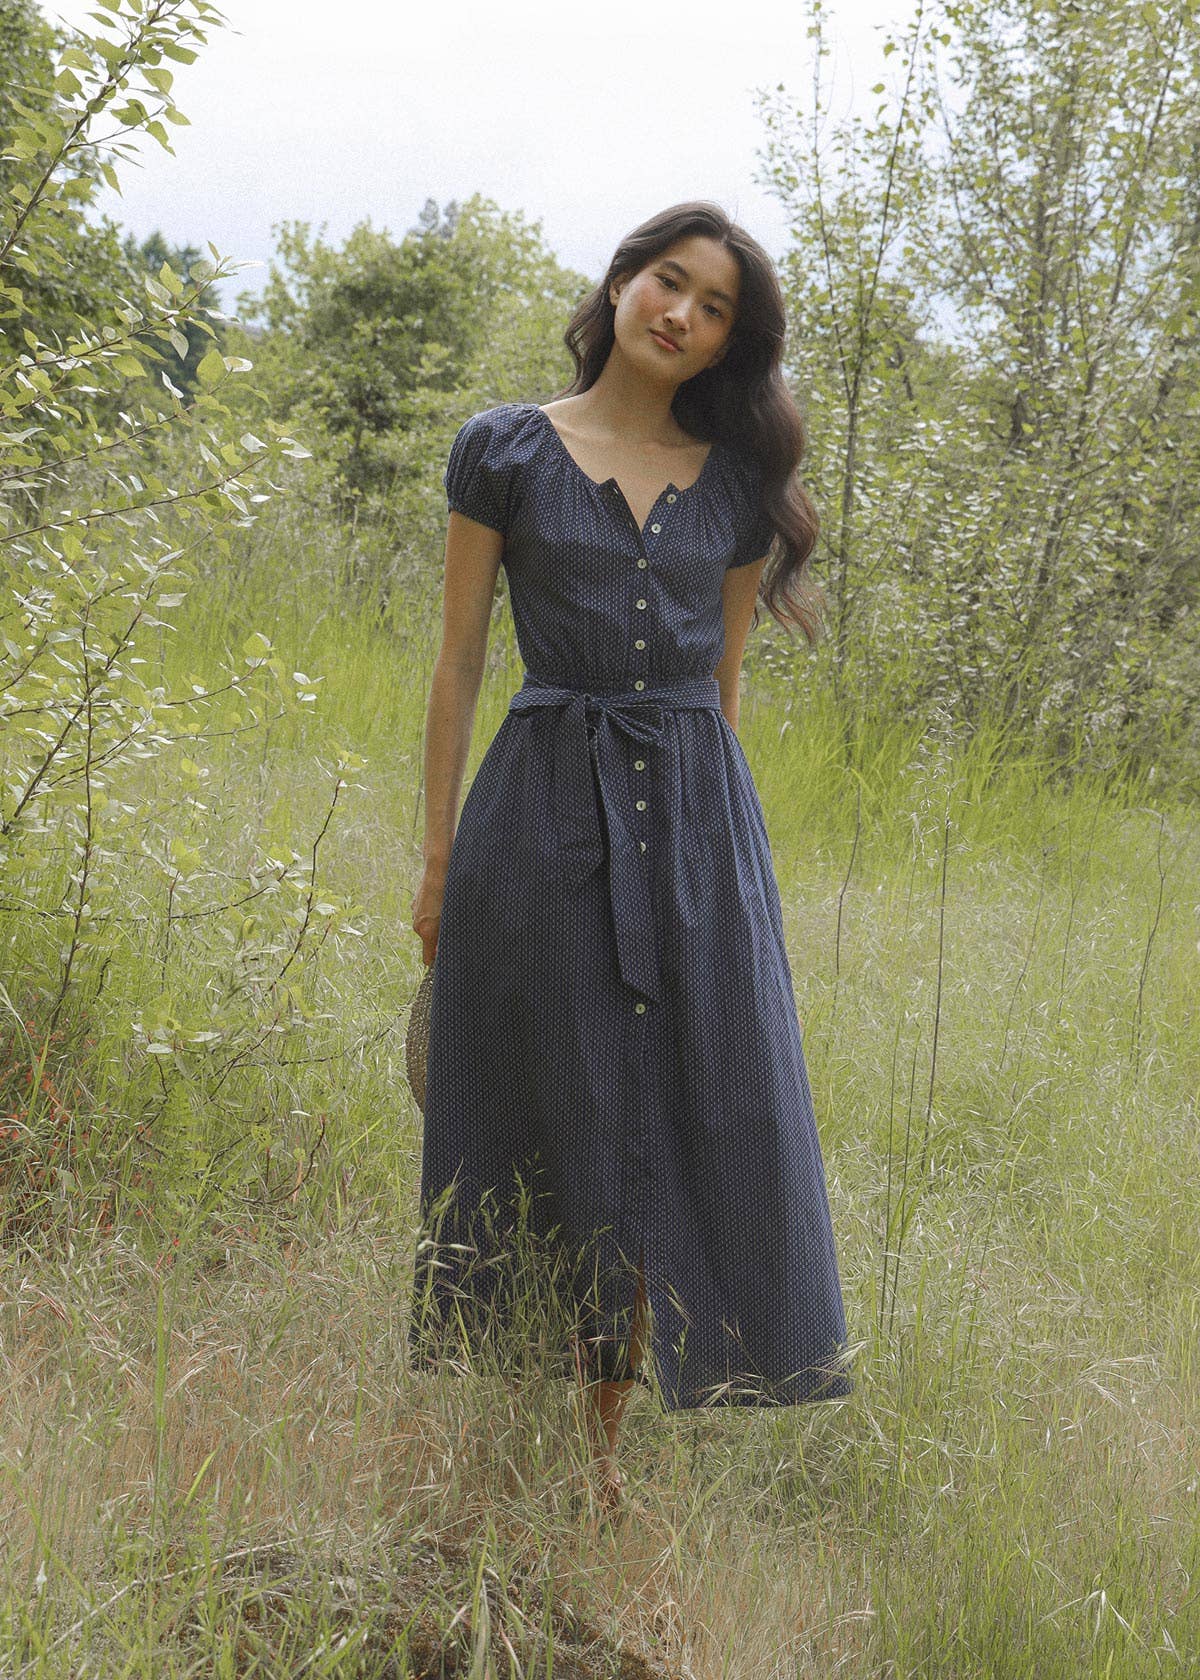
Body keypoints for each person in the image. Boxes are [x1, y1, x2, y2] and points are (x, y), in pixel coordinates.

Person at [408, 200, 854, 1516]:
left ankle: (608, 1453)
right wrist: (435, 861)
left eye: (717, 308)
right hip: (540, 819)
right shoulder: (505, 452)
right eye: (672, 282)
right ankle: (566, 1436)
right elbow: (458, 662)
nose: (684, 314)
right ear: (620, 283)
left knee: (688, 1114)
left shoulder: (735, 491)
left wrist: (723, 883)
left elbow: (722, 698)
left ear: (728, 343)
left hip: (696, 831)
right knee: (573, 1115)